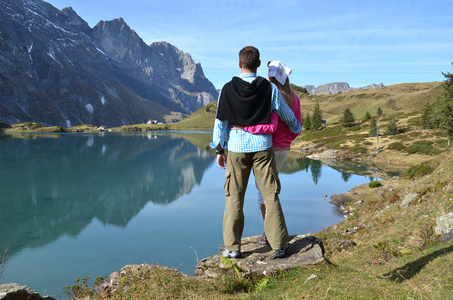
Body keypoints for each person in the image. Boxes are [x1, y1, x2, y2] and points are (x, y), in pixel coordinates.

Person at [210, 46, 301, 259]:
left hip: (236, 149)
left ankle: (232, 248)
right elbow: (287, 115)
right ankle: (279, 245)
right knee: (270, 196)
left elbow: (220, 123)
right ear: (259, 65)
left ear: (239, 64)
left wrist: (219, 149)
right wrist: (296, 128)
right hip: (263, 148)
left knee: (234, 197)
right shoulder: (269, 89)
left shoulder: (226, 89)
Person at [242, 61, 302, 245]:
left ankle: (270, 234)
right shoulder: (294, 98)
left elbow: (266, 123)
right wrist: (287, 142)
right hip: (283, 149)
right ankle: (273, 232)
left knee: (264, 193)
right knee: (270, 189)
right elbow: (297, 126)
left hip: (268, 147)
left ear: (270, 77)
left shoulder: (268, 94)